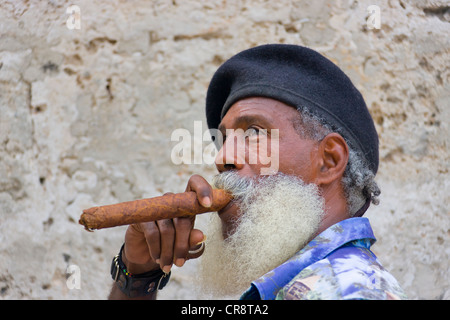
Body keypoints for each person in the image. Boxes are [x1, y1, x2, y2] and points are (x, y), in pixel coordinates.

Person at [108, 44, 407, 300]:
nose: (222, 157)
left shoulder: (347, 291)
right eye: (223, 140)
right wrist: (136, 275)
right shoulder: (296, 286)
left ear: (328, 161)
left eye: (254, 131)